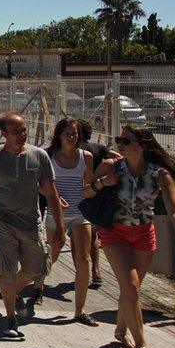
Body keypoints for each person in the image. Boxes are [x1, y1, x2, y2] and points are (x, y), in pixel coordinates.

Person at [85, 125, 175, 348]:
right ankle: (142, 345)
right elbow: (86, 192)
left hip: (143, 235)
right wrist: (103, 183)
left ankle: (120, 330)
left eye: (126, 140)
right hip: (114, 233)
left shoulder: (159, 174)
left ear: (141, 144)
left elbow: (174, 208)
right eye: (119, 139)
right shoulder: (112, 166)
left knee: (131, 289)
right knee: (131, 286)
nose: (120, 144)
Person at [0, 112, 65, 338]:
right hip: (2, 224)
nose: (22, 135)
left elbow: (51, 192)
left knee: (38, 268)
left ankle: (11, 291)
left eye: (24, 130)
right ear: (4, 134)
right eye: (16, 131)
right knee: (6, 270)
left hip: (31, 223)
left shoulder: (39, 156)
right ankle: (11, 319)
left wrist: (60, 226)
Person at [33, 119, 97, 325]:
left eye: (75, 134)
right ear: (59, 135)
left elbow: (87, 184)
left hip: (81, 212)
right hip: (56, 213)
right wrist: (54, 197)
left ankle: (80, 310)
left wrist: (96, 190)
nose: (72, 137)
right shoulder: (48, 156)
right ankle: (38, 287)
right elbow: (38, 184)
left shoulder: (86, 157)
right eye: (68, 134)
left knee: (83, 259)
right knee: (52, 254)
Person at [77, 119, 119, 286]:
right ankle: (96, 270)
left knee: (78, 238)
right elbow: (119, 158)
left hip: (80, 193)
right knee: (92, 234)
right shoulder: (98, 148)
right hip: (96, 194)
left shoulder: (74, 149)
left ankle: (83, 273)